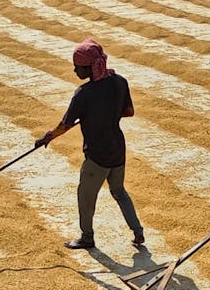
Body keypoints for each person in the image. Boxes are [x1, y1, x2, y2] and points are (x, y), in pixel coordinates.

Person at [35, 39, 145, 250]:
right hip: (117, 149)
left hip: (97, 155)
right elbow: (129, 112)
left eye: (78, 66)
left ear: (89, 67)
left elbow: (65, 124)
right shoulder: (120, 81)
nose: (75, 70)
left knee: (86, 197)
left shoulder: (83, 94)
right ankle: (138, 231)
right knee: (119, 192)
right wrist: (106, 115)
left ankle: (87, 237)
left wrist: (46, 138)